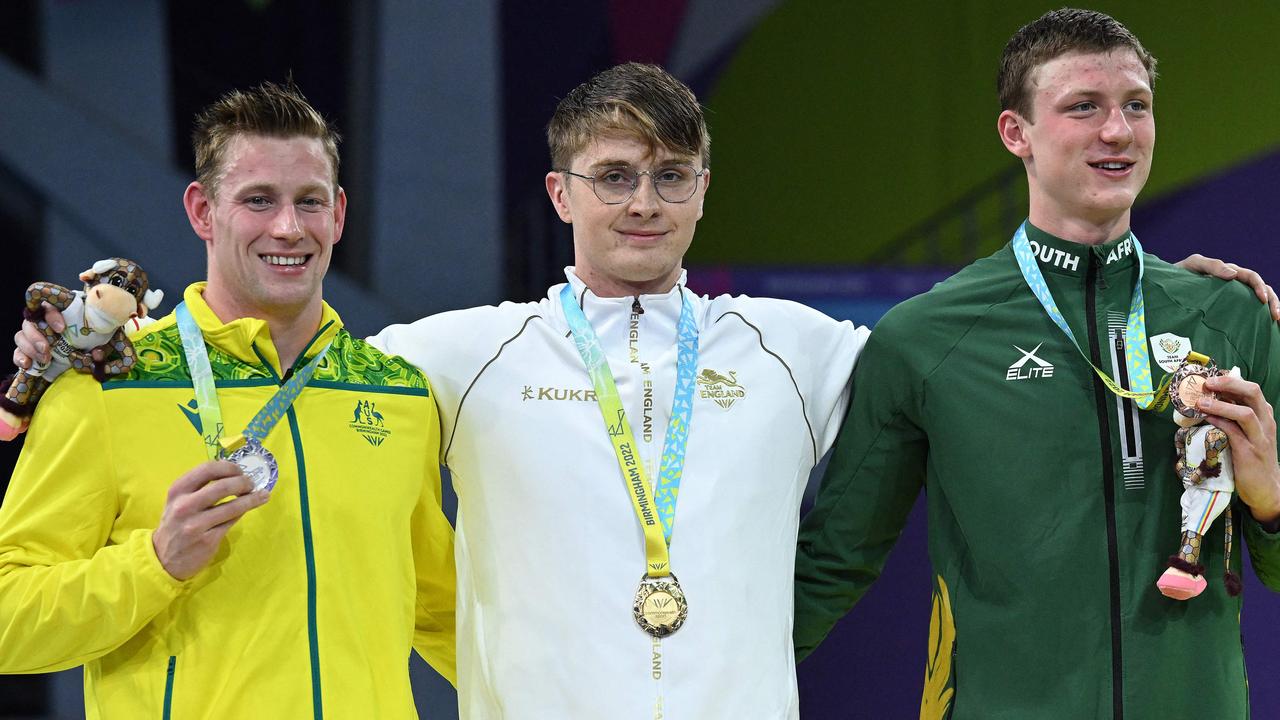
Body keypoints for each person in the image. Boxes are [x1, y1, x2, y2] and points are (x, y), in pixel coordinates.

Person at [11, 64, 1275, 720]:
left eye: (670, 176)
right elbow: (263, 362)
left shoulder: (795, 346)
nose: (642, 202)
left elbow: (990, 346)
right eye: (612, 175)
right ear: (560, 193)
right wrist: (76, 351)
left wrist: (1152, 285)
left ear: (702, 191)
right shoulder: (441, 361)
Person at [792, 9, 1280, 720]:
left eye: (1135, 106)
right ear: (1015, 133)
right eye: (1083, 107)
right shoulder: (927, 339)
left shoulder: (1230, 318)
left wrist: (1270, 506)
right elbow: (836, 561)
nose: (1117, 131)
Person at [0, 82, 456, 718]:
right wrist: (154, 563)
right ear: (202, 211)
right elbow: (8, 619)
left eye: (309, 202)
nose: (289, 227)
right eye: (258, 201)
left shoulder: (395, 392)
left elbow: (446, 612)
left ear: (340, 214)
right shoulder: (110, 384)